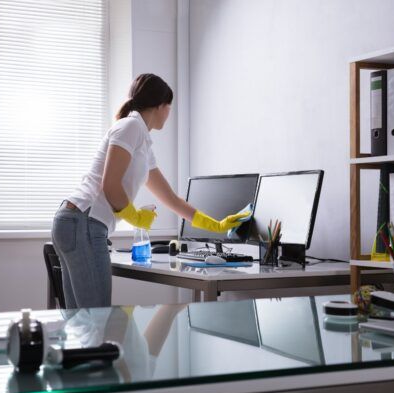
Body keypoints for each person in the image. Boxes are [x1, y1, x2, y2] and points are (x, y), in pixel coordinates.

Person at [51, 73, 249, 309]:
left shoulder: (142, 142)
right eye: (169, 107)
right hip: (84, 221)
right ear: (161, 106)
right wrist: (135, 217)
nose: (169, 113)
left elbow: (171, 199)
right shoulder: (131, 126)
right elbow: (110, 185)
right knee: (96, 318)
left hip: (75, 220)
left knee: (83, 322)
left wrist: (215, 225)